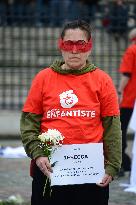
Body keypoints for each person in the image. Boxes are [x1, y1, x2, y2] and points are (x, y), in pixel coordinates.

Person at [20, 20, 122, 205]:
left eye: (80, 44)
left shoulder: (102, 80)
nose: (74, 50)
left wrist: (113, 165)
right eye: (69, 44)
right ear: (61, 45)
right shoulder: (43, 78)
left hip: (91, 173)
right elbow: (29, 123)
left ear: (89, 47)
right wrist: (38, 153)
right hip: (49, 170)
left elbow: (112, 128)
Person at [118, 27, 136, 176]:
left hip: (130, 98)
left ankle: (123, 163)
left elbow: (127, 74)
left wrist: (119, 91)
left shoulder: (132, 50)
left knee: (121, 130)